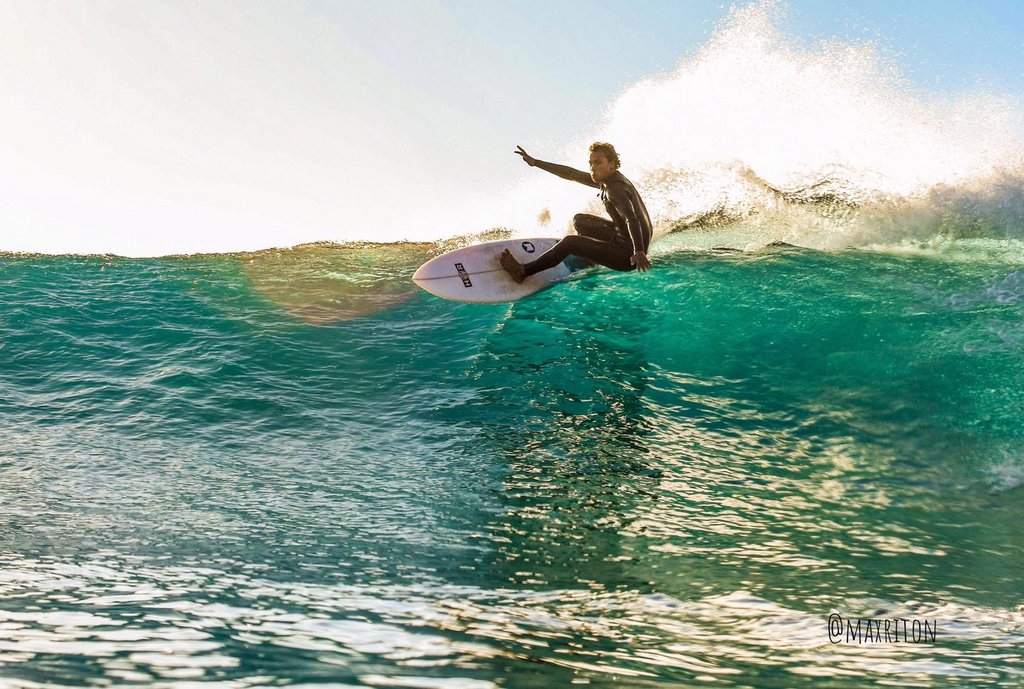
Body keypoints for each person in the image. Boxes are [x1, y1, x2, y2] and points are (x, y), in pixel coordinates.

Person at [500, 142, 653, 283]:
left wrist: (638, 251)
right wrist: (536, 163)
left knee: (570, 242)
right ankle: (590, 257)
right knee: (580, 221)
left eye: (598, 162)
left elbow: (632, 219)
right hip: (624, 239)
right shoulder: (609, 179)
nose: (593, 167)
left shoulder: (615, 189)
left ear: (611, 165)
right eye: (591, 163)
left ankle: (522, 272)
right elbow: (572, 174)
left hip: (628, 256)